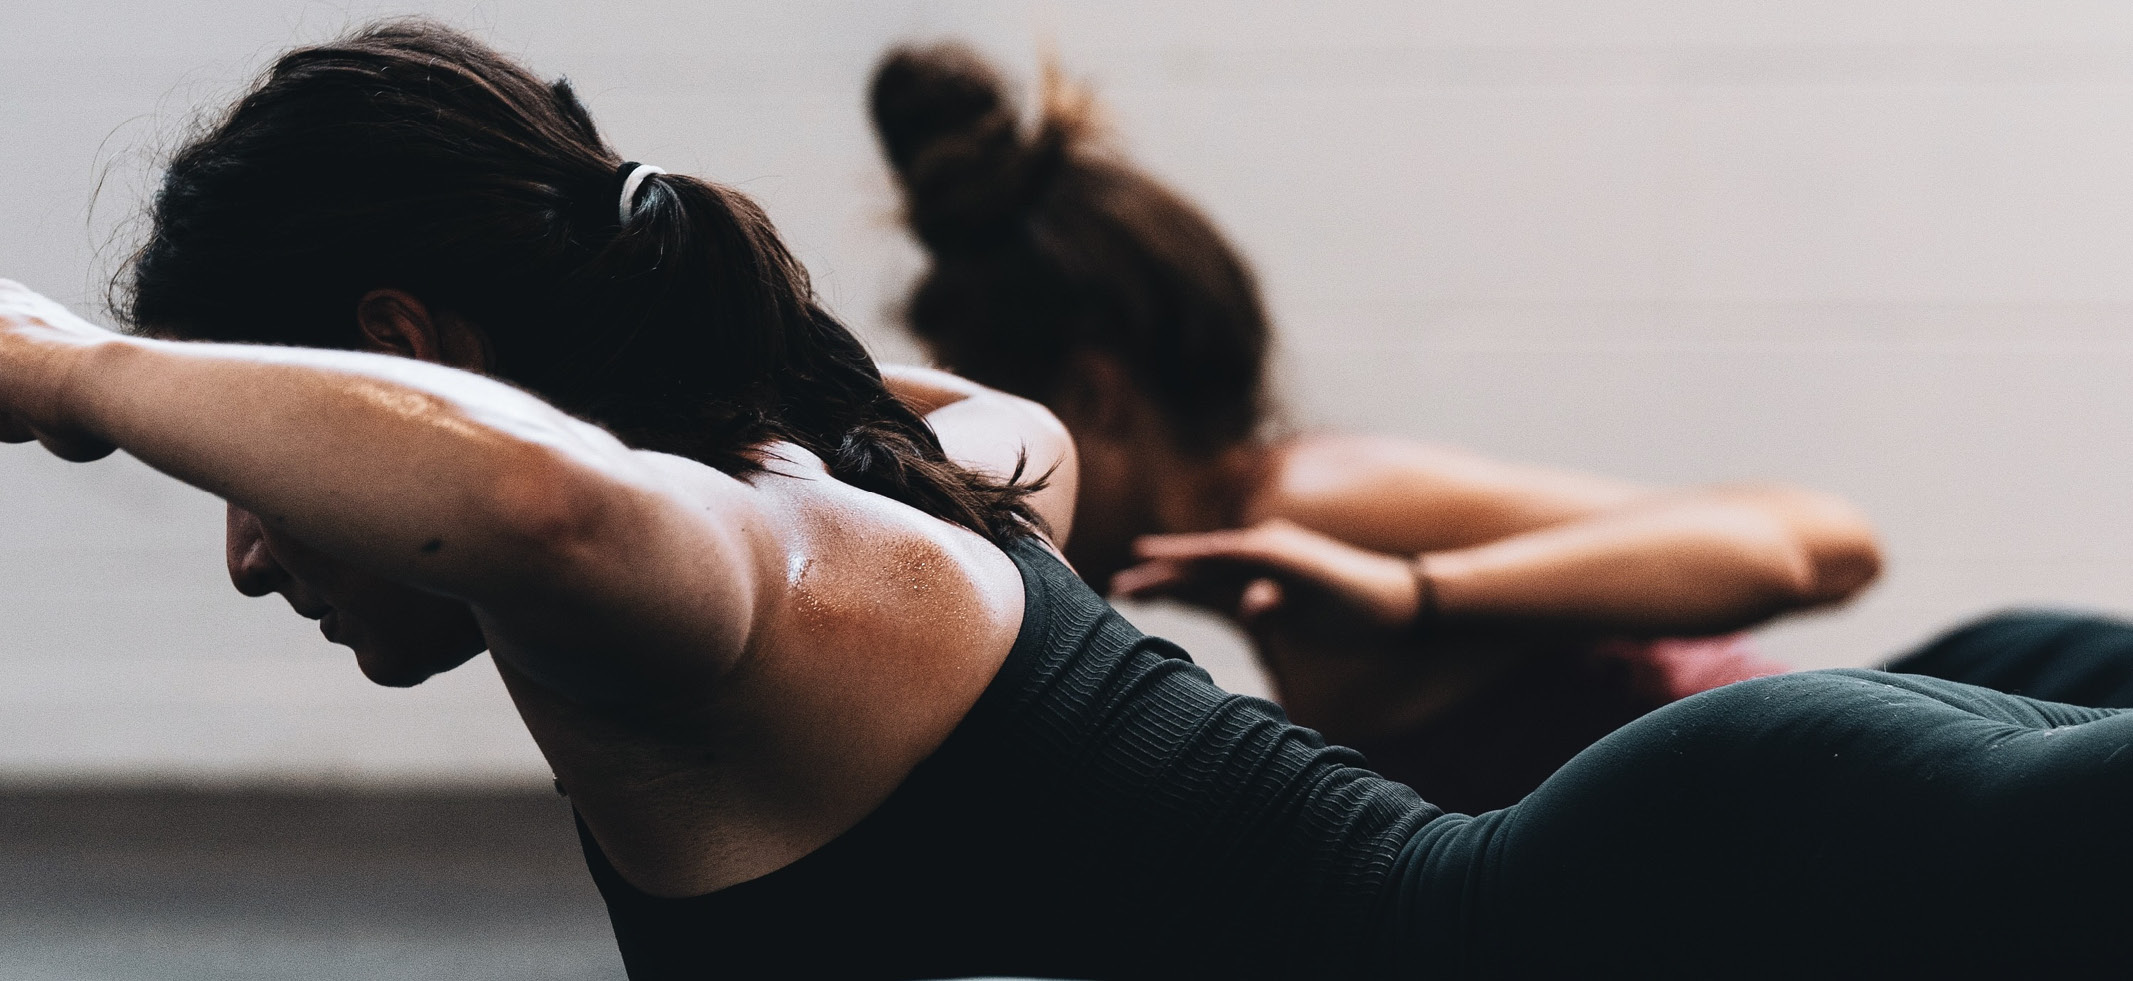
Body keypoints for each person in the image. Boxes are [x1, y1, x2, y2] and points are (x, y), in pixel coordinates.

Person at [8, 20, 2131, 977]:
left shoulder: (737, 554)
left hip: (1686, 902)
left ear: (411, 356)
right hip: (1729, 835)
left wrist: (74, 375)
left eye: (246, 440)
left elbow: (552, 509)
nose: (249, 532)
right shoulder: (882, 465)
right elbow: (992, 410)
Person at [868, 44, 1886, 812]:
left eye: (984, 426)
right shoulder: (1279, 589)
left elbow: (1818, 547)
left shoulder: (1316, 500)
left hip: (1853, 817)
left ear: (1095, 399)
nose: (974, 483)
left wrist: (1413, 597)